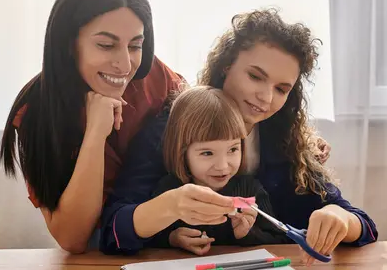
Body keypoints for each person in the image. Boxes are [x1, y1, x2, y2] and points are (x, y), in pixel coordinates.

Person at [101, 9, 378, 265]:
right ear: (226, 66)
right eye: (255, 76)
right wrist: (170, 209)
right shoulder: (171, 127)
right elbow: (112, 231)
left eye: (282, 89)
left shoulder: (286, 140)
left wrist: (340, 219)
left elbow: (364, 226)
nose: (266, 97)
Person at [0, 0, 183, 254]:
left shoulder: (158, 79)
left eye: (135, 45)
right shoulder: (37, 109)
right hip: (96, 253)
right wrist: (95, 133)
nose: (124, 64)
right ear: (69, 44)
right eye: (106, 45)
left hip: (168, 237)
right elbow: (73, 239)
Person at [100, 86, 287, 255]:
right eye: (207, 153)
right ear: (182, 152)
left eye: (232, 150)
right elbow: (149, 240)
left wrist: (247, 234)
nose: (222, 165)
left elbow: (279, 239)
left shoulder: (250, 190)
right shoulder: (168, 189)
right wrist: (173, 238)